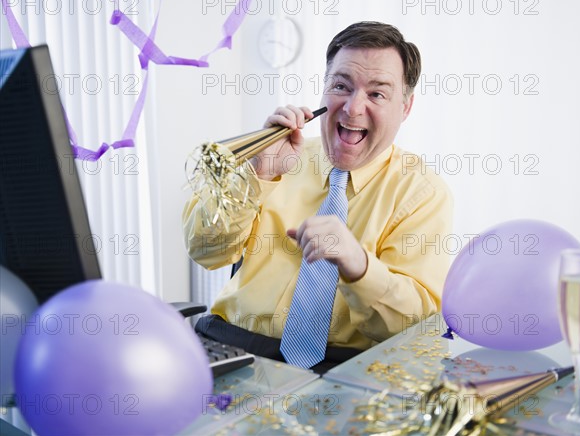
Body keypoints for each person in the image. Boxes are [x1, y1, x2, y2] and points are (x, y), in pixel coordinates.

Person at [182, 21, 453, 373]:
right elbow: (204, 250)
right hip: (232, 345)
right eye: (341, 85)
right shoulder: (277, 156)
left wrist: (358, 265)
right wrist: (256, 175)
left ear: (405, 107)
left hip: (341, 369)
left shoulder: (423, 194)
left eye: (377, 94)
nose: (353, 108)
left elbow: (415, 327)